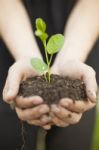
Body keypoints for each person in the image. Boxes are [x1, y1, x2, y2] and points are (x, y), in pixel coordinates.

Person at [0, 0, 99, 150]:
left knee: (72, 140)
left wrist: (72, 56)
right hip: (12, 37)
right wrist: (25, 55)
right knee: (12, 136)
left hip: (80, 37)